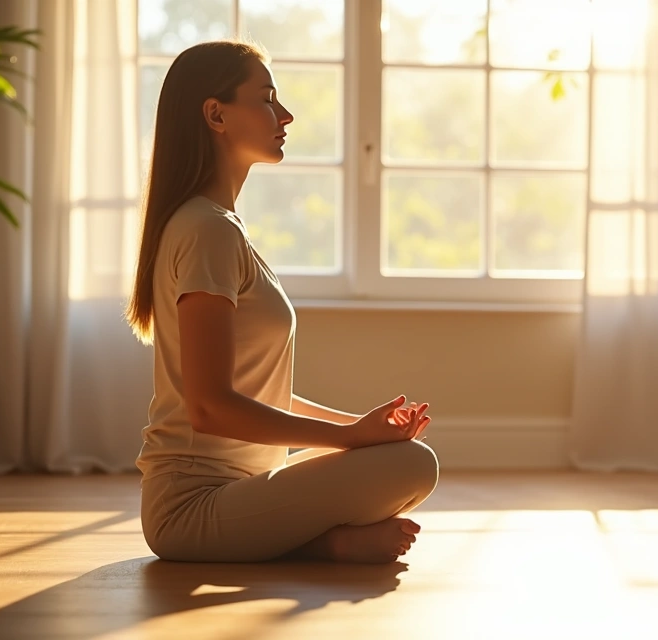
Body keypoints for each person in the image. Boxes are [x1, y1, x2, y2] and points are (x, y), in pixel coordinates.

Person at [124, 39, 439, 564]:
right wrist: (350, 440)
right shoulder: (206, 230)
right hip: (192, 507)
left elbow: (257, 393)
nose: (285, 114)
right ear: (216, 115)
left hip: (244, 488)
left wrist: (359, 429)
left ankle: (316, 540)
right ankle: (321, 544)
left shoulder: (217, 226)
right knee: (413, 467)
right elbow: (208, 407)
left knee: (402, 455)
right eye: (267, 99)